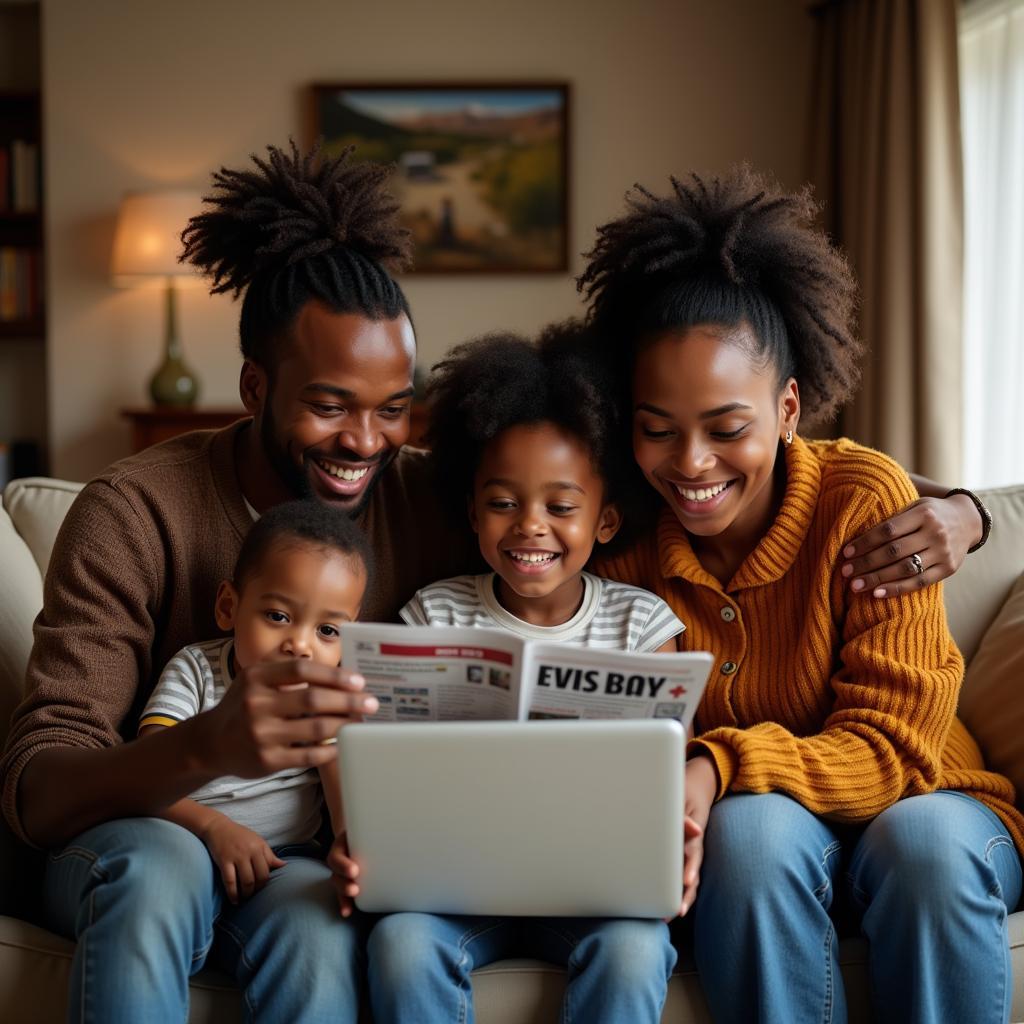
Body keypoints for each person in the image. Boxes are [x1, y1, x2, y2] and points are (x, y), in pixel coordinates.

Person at [0, 142, 472, 1023]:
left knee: (316, 923)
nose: (365, 442)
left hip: (289, 858)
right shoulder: (137, 511)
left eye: (393, 407)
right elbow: (39, 790)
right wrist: (206, 746)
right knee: (160, 866)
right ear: (256, 386)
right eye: (329, 405)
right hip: (133, 844)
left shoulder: (432, 506)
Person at [574, 166, 1023, 1024]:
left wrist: (721, 761)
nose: (692, 464)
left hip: (935, 809)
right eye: (656, 429)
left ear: (787, 409)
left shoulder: (862, 501)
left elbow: (896, 750)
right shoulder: (619, 547)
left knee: (920, 843)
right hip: (768, 846)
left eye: (727, 428)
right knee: (751, 834)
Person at [365, 330, 686, 1024]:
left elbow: (665, 775)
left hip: (594, 894)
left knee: (633, 954)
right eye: (503, 502)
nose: (529, 527)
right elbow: (392, 773)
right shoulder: (433, 613)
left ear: (605, 520)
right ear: (472, 508)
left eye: (561, 507)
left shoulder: (644, 627)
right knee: (401, 944)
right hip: (455, 892)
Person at [137, 500, 373, 909]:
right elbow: (147, 774)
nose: (300, 645)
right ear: (230, 606)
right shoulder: (198, 670)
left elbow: (344, 806)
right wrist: (214, 827)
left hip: (287, 860)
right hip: (186, 840)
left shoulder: (328, 702)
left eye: (328, 630)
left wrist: (347, 849)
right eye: (278, 616)